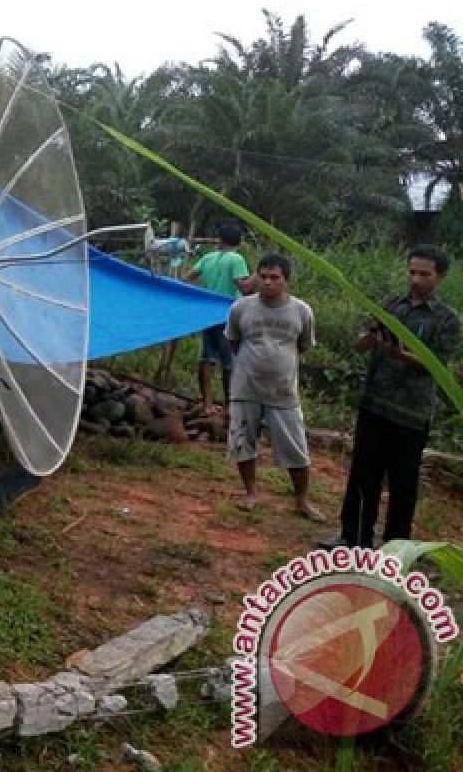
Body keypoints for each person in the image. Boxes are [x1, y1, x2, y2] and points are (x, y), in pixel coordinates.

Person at [321, 245, 460, 549]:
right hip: (374, 405)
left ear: (440, 276)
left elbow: (435, 365)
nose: (416, 279)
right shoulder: (391, 306)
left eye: (424, 274)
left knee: (402, 483)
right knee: (362, 475)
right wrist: (371, 336)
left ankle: (396, 548)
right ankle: (353, 538)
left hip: (411, 414)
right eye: (412, 272)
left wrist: (398, 353)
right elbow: (360, 345)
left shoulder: (446, 319)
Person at [225, 253, 322, 521]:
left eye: (274, 278)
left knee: (296, 448)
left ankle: (301, 500)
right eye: (263, 277)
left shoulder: (301, 311)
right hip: (246, 387)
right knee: (243, 442)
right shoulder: (241, 308)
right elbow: (233, 342)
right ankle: (250, 493)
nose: (268, 283)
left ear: (286, 280)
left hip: (283, 391)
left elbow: (303, 346)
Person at [186, 221, 254, 411]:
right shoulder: (236, 259)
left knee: (207, 359)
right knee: (229, 362)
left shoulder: (208, 258)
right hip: (228, 316)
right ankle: (229, 405)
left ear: (220, 240)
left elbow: (187, 278)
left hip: (207, 314)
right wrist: (260, 272)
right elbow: (244, 287)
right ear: (238, 241)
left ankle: (207, 403)